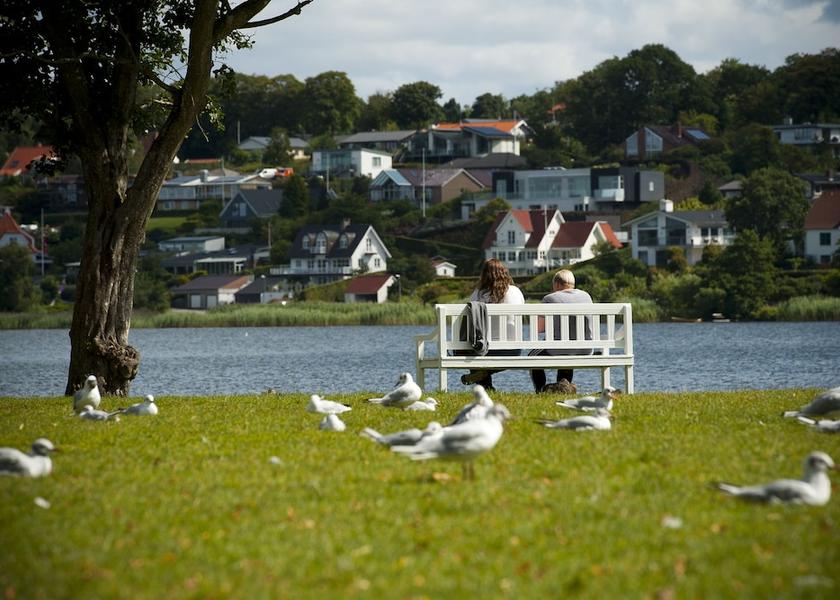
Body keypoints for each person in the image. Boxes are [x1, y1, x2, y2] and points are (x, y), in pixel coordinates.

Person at [460, 259, 525, 391]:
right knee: (477, 350)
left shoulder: (478, 293)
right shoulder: (515, 291)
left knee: (472, 349)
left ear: (484, 275)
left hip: (484, 349)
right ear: (505, 273)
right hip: (513, 350)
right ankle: (485, 382)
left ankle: (485, 386)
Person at [530, 269, 593, 393]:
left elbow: (538, 329)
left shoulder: (550, 298)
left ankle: (540, 390)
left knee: (532, 357)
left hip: (558, 349)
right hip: (585, 349)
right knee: (568, 350)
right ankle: (564, 387)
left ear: (557, 284)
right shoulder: (586, 296)